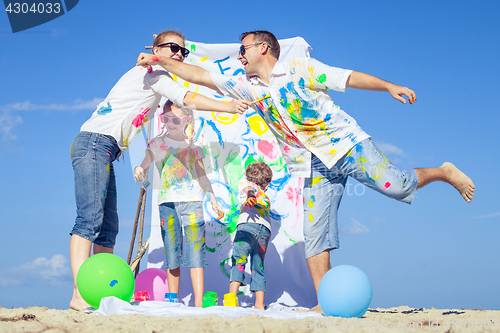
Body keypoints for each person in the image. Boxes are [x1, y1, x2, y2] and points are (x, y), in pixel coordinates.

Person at [136, 30, 475, 311]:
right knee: (315, 232)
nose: (239, 55)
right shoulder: (248, 86)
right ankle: (326, 301)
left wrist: (389, 86)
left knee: (398, 186)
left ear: (263, 48)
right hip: (312, 164)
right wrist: (158, 60)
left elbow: (349, 77)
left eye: (243, 49)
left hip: (347, 145)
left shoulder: (300, 69)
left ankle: (444, 171)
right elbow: (199, 75)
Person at [69, 30, 251, 311]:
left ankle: (101, 292)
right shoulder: (153, 73)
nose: (178, 54)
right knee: (90, 220)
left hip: (107, 148)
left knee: (108, 228)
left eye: (183, 51)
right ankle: (79, 293)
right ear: (156, 49)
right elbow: (187, 98)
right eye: (172, 48)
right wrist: (227, 107)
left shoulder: (158, 75)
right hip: (95, 142)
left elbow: (192, 84)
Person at [134, 101, 224, 307]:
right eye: (165, 118)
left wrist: (213, 200)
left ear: (187, 119)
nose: (169, 123)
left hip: (193, 202)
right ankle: (172, 299)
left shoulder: (195, 146)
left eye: (175, 119)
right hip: (167, 203)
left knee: (195, 252)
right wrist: (139, 169)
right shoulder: (157, 143)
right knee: (171, 250)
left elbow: (202, 175)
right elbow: (144, 165)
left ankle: (199, 302)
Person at [229, 161, 273, 311]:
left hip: (247, 228)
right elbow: (249, 189)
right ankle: (259, 305)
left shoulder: (248, 187)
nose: (268, 185)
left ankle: (231, 299)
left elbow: (249, 189)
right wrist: (250, 196)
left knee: (239, 262)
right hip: (264, 231)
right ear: (264, 180)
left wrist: (250, 196)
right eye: (268, 182)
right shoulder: (252, 188)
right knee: (258, 266)